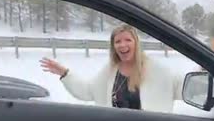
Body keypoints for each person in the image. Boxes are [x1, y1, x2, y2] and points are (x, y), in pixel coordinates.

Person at [40, 24, 183, 113]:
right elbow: (87, 91)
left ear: (136, 43)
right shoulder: (110, 71)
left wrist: (203, 69)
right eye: (118, 41)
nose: (122, 45)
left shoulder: (156, 69)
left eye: (128, 40)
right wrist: (64, 73)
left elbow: (184, 87)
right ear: (113, 47)